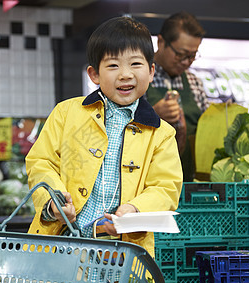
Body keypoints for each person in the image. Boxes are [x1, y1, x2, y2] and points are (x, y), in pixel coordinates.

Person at [25, 16, 182, 257]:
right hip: (60, 246)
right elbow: (41, 162)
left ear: (151, 72)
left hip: (123, 253)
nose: (125, 74)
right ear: (94, 74)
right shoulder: (66, 113)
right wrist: (53, 202)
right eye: (113, 65)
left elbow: (165, 187)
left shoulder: (162, 134)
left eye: (135, 64)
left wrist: (134, 210)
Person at [146, 11, 209, 182]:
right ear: (161, 42)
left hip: (189, 180)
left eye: (192, 56)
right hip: (147, 181)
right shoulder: (139, 77)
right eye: (180, 54)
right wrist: (152, 114)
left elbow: (207, 130)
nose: (185, 62)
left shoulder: (194, 82)